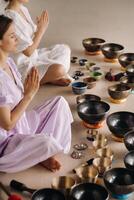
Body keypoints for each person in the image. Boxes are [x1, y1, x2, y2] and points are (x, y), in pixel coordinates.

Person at [0, 15, 73, 173]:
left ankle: (39, 154)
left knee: (59, 104)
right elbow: (7, 124)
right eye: (12, 36)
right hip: (7, 142)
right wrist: (28, 96)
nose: (17, 38)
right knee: (46, 142)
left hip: (23, 125)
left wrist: (33, 87)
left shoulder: (9, 62)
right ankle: (41, 152)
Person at [2, 0, 72, 86]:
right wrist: (41, 29)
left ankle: (47, 76)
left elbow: (32, 37)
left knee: (64, 49)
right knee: (59, 70)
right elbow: (28, 52)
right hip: (23, 66)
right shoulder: (10, 16)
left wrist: (38, 28)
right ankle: (34, 81)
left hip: (35, 56)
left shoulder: (23, 9)